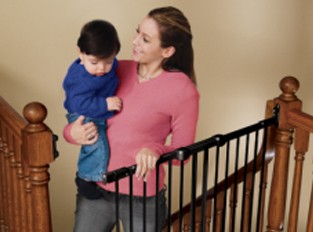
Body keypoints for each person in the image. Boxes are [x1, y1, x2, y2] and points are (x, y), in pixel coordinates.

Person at [63, 6, 199, 232]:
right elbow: (80, 108)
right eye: (137, 33)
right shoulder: (113, 69)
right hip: (96, 190)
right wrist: (71, 133)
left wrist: (155, 150)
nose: (134, 41)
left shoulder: (183, 90)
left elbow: (182, 154)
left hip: (142, 198)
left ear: (167, 51)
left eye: (145, 39)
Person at [62, 19, 122, 199]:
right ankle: (86, 178)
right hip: (82, 113)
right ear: (81, 54)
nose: (102, 68)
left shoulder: (109, 64)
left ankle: (93, 176)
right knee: (97, 143)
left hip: (93, 108)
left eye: (109, 61)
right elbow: (78, 104)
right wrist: (105, 104)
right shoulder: (81, 79)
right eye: (94, 62)